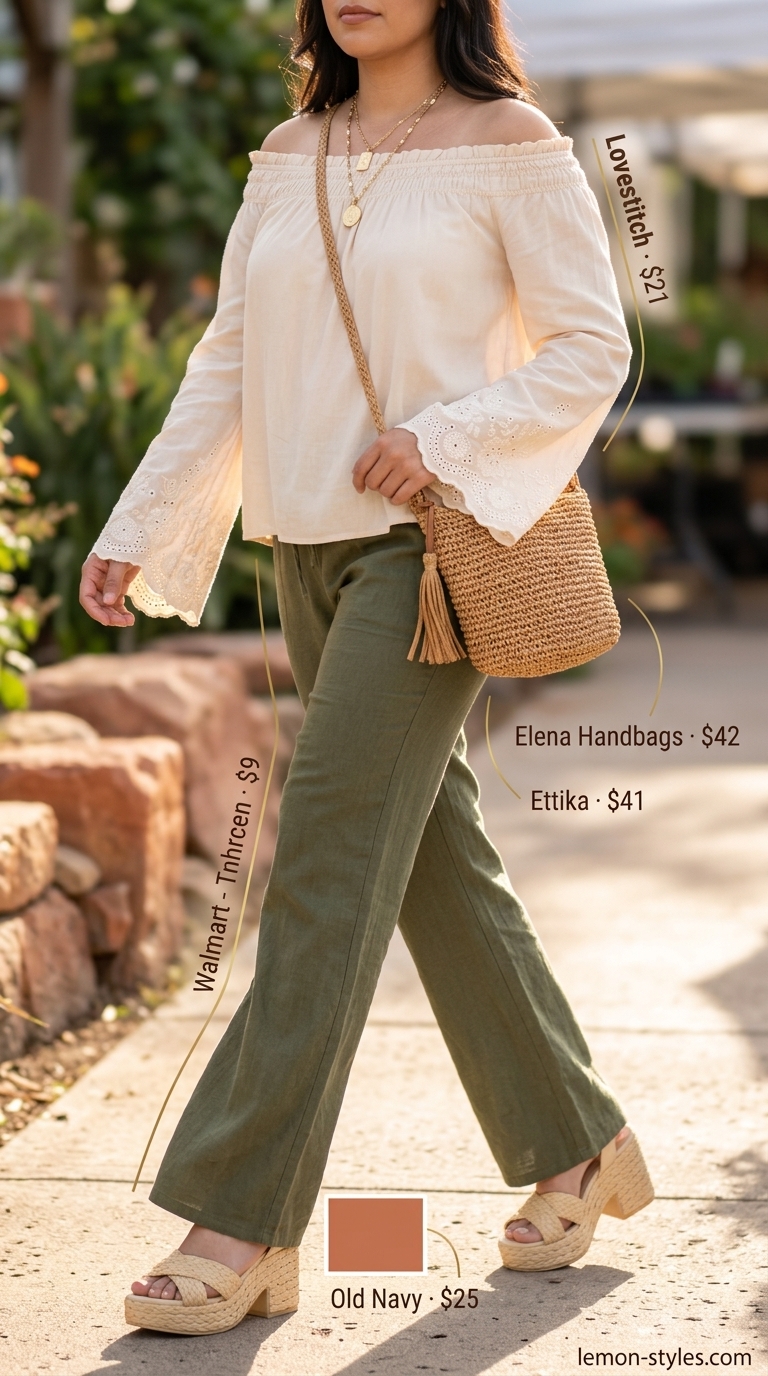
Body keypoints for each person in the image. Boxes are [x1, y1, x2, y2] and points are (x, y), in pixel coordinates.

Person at [80, 0, 653, 1338]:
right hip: (308, 554)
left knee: (330, 857)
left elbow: (592, 344)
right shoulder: (292, 152)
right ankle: (578, 1143)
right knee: (433, 862)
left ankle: (243, 1218)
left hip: (430, 549)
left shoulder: (513, 138)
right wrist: (136, 524)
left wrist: (448, 433)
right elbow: (228, 359)